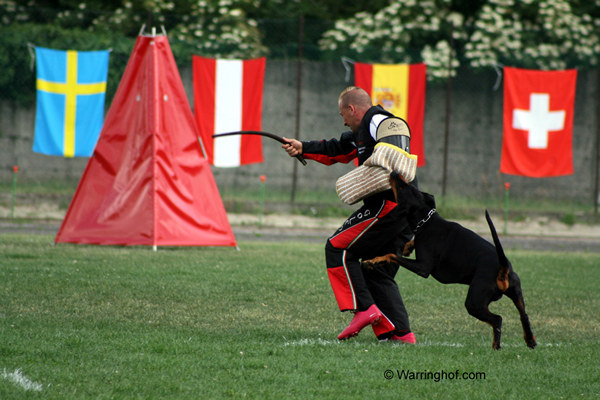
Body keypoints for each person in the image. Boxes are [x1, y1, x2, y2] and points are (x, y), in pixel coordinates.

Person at [282, 86, 417, 343]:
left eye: (342, 114)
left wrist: (382, 161)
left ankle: (364, 310)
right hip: (404, 211)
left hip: (390, 206)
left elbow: (397, 138)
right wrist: (303, 148)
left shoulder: (378, 120)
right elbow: (337, 149)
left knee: (336, 247)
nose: (342, 120)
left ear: (351, 109)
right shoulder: (360, 133)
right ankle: (400, 334)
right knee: (376, 269)